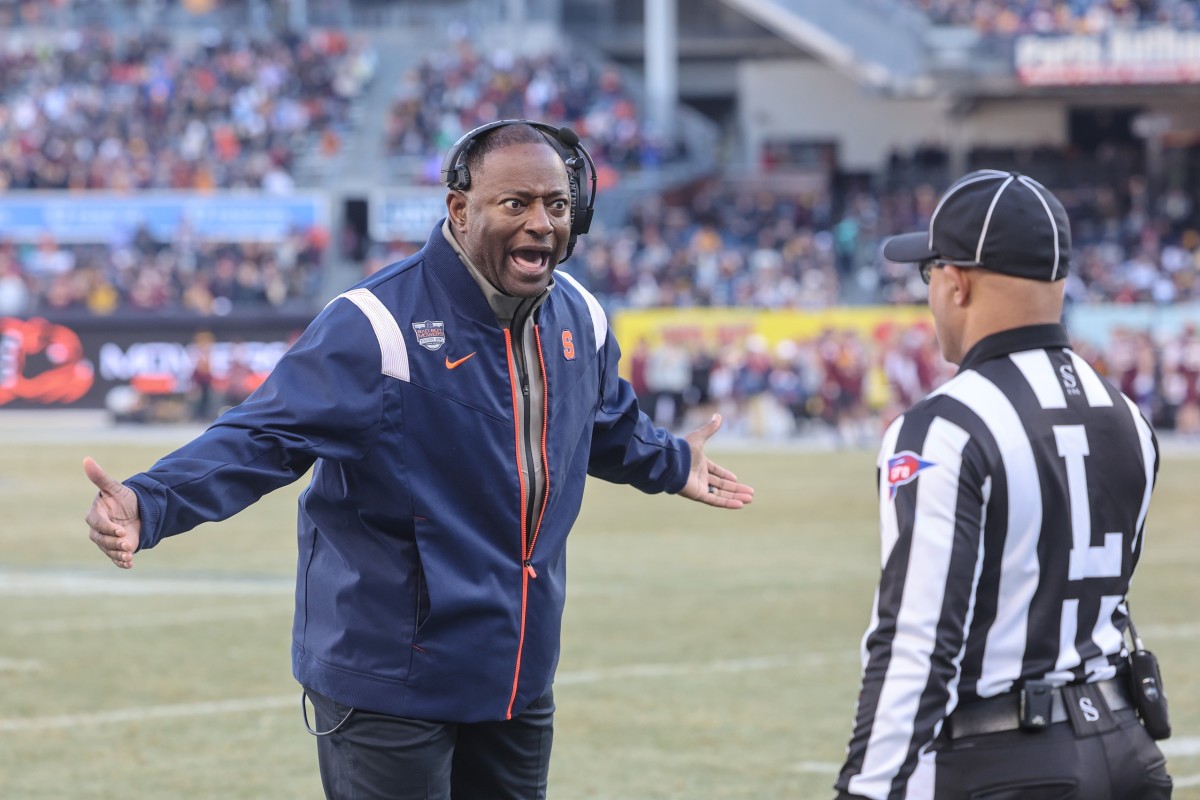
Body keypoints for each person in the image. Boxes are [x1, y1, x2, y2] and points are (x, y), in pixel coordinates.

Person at [83, 120, 754, 800]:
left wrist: (673, 462)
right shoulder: (375, 324)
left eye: (557, 204)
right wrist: (149, 502)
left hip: (515, 671)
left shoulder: (581, 314)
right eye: (516, 203)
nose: (542, 223)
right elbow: (263, 437)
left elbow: (602, 423)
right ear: (460, 210)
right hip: (389, 677)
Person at [834, 170, 1172, 799]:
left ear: (956, 282)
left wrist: (866, 789)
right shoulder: (1128, 416)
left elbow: (917, 641)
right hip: (1128, 747)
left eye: (928, 272)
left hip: (1007, 760)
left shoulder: (945, 427)